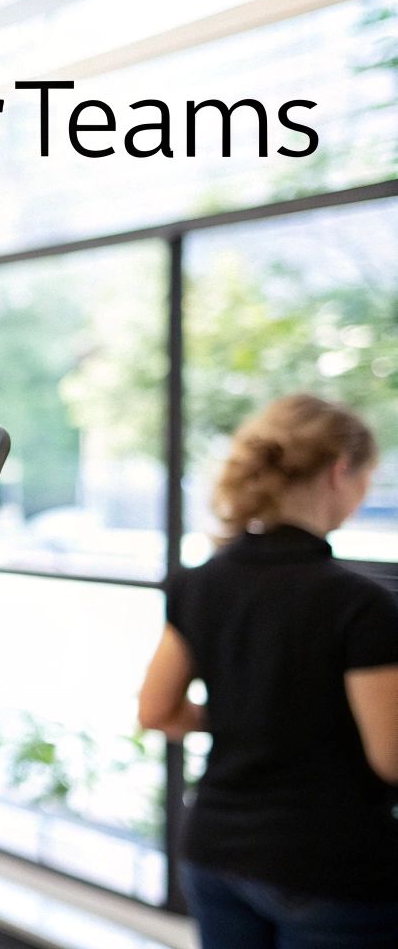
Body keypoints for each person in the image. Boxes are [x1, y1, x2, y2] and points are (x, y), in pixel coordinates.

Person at [138, 394, 398, 948]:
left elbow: (157, 711)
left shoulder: (200, 581)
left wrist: (247, 710)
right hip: (328, 866)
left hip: (215, 852)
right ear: (338, 473)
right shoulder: (360, 604)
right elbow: (391, 758)